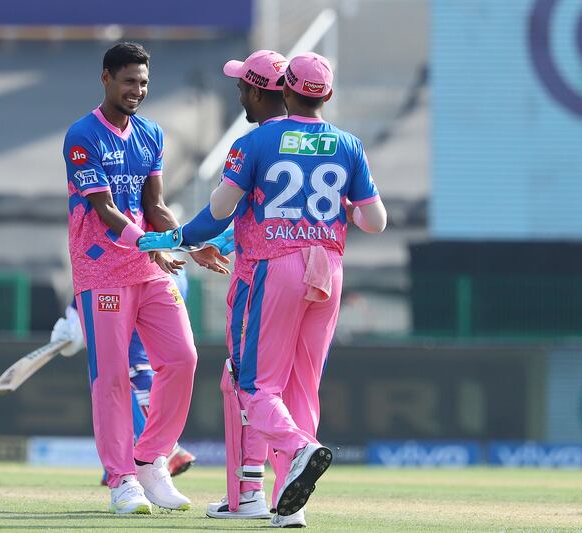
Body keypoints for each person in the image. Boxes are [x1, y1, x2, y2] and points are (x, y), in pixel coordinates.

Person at [207, 52, 387, 528]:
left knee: (256, 385)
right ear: (326, 96)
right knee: (303, 386)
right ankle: (294, 506)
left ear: (284, 90)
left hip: (276, 262)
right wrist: (340, 209)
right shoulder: (348, 144)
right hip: (328, 266)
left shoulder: (259, 139)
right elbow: (376, 221)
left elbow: (221, 205)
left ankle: (298, 448)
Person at [61, 41, 229, 516]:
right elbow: (105, 208)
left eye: (144, 83)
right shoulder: (81, 135)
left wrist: (187, 243)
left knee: (182, 359)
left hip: (147, 267)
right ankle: (121, 481)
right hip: (102, 270)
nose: (138, 90)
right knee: (111, 377)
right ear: (106, 79)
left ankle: (150, 458)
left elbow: (154, 206)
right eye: (129, 81)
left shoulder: (151, 132)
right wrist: (151, 244)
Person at [138, 49, 291, 521]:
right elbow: (252, 220)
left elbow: (218, 216)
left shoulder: (254, 144)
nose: (238, 91)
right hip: (315, 277)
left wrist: (173, 239)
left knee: (243, 384)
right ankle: (284, 500)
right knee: (287, 388)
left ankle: (252, 490)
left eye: (243, 85)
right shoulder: (327, 141)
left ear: (256, 91)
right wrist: (209, 243)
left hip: (260, 280)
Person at [49, 271, 197, 480]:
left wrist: (70, 323)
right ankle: (122, 462)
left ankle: (165, 450)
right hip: (171, 273)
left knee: (124, 375)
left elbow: (99, 269)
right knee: (139, 371)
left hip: (130, 276)